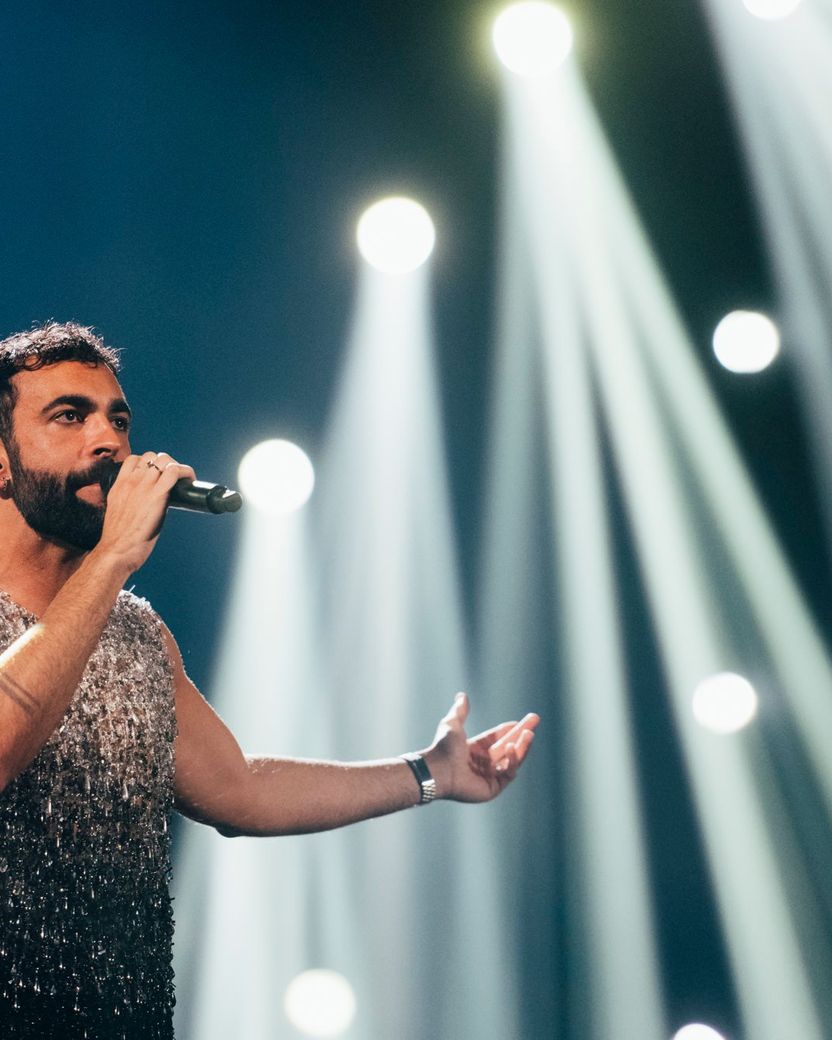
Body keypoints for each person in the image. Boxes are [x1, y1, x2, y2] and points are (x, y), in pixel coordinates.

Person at [0, 322, 539, 1040]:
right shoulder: (105, 590)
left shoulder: (132, 632)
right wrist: (112, 562)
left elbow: (240, 789)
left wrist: (430, 772)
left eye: (118, 420)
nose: (109, 442)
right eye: (70, 416)